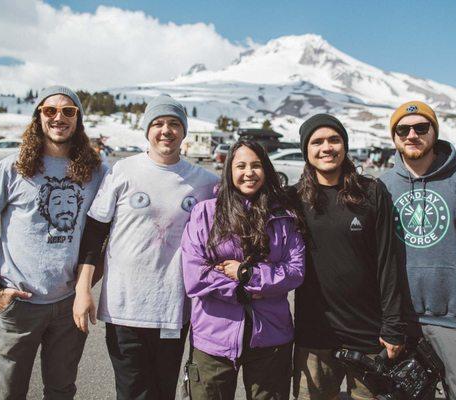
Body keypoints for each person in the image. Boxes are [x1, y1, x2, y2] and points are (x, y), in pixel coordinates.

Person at [0, 85, 106, 399]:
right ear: (38, 116)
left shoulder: (96, 172)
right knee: (7, 393)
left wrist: (85, 285)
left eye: (69, 111)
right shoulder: (11, 168)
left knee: (61, 390)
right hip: (18, 306)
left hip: (69, 308)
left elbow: (104, 232)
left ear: (79, 119)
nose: (59, 117)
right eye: (50, 110)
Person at [73, 94, 218, 400]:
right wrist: (83, 289)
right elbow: (95, 232)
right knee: (132, 391)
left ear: (184, 131)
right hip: (125, 307)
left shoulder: (205, 182)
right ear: (147, 130)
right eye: (159, 123)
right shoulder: (123, 171)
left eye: (174, 123)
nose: (166, 130)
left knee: (164, 391)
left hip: (174, 309)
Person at [380, 101, 456, 400]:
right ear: (394, 137)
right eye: (403, 129)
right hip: (402, 320)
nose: (412, 135)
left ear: (434, 132)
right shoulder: (382, 186)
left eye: (421, 127)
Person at [291, 114, 406, 400]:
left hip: (369, 334)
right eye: (317, 142)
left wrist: (393, 327)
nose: (326, 148)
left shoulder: (371, 192)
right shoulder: (293, 198)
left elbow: (388, 262)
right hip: (315, 334)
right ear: (306, 150)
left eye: (334, 139)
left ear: (345, 145)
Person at [181, 140, 305, 400]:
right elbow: (195, 276)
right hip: (213, 338)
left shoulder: (284, 216)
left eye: (256, 165)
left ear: (266, 170)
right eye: (241, 166)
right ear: (229, 171)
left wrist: (248, 275)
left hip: (271, 336)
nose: (249, 172)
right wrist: (243, 292)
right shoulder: (206, 213)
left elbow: (294, 271)